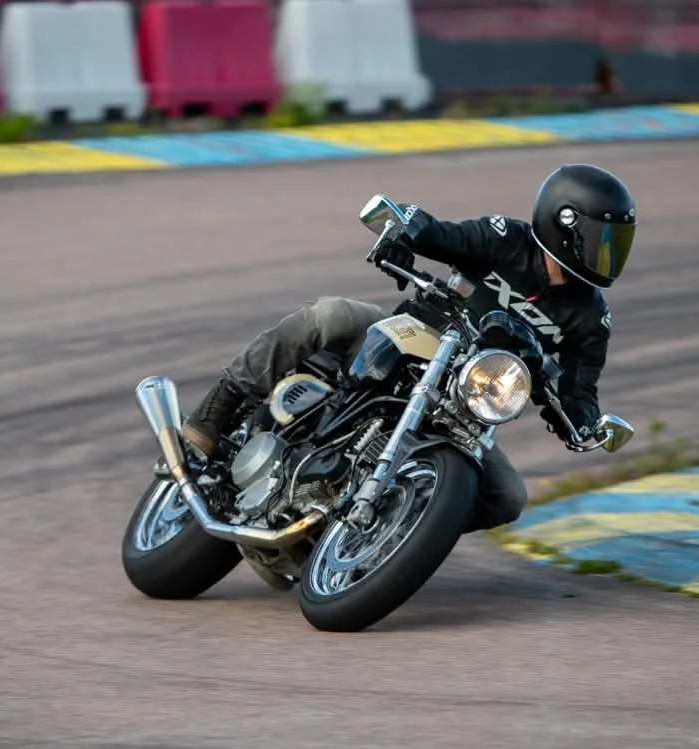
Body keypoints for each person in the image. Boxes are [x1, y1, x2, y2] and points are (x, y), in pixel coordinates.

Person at [180, 163, 636, 533]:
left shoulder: (592, 318)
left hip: (468, 403)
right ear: (565, 225)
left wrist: (586, 424)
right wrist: (403, 234)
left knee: (507, 499)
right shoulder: (507, 238)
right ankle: (213, 416)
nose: (607, 254)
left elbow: (580, 389)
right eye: (602, 240)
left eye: (615, 244)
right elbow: (437, 231)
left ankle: (393, 533)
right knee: (329, 315)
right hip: (416, 331)